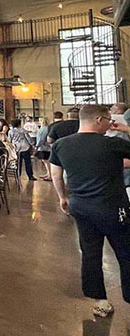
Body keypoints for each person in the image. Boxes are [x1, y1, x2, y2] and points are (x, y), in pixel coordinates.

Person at [49, 104, 130, 317]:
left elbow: (56, 175)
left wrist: (62, 198)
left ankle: (100, 301)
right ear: (99, 120)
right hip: (113, 207)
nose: (110, 125)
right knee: (126, 252)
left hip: (81, 207)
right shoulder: (113, 144)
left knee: (90, 253)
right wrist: (126, 129)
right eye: (109, 120)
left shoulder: (61, 145)